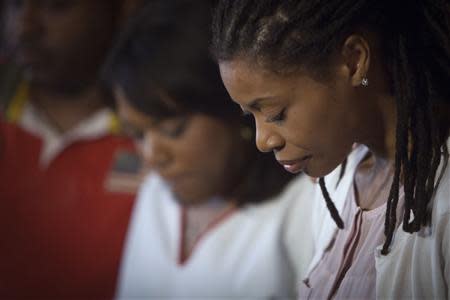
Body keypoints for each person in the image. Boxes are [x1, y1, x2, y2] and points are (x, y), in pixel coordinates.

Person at [212, 1, 450, 299]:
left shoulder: (443, 201)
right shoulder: (338, 184)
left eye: (276, 113)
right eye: (250, 115)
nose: (263, 140)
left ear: (353, 61)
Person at [102, 1, 317, 298]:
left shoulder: (303, 209)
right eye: (137, 134)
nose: (153, 156)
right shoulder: (156, 193)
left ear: (233, 106)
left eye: (172, 130)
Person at [0, 1, 144, 298]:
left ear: (119, 11)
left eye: (55, 5)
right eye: (14, 4)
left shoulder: (162, 133)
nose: (24, 26)